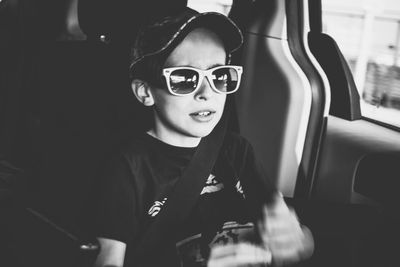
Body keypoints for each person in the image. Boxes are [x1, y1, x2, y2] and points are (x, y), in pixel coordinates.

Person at [94, 7, 314, 267]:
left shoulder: (236, 150)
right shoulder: (128, 169)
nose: (206, 92)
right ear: (145, 92)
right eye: (185, 78)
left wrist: (297, 243)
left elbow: (286, 233)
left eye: (219, 75)